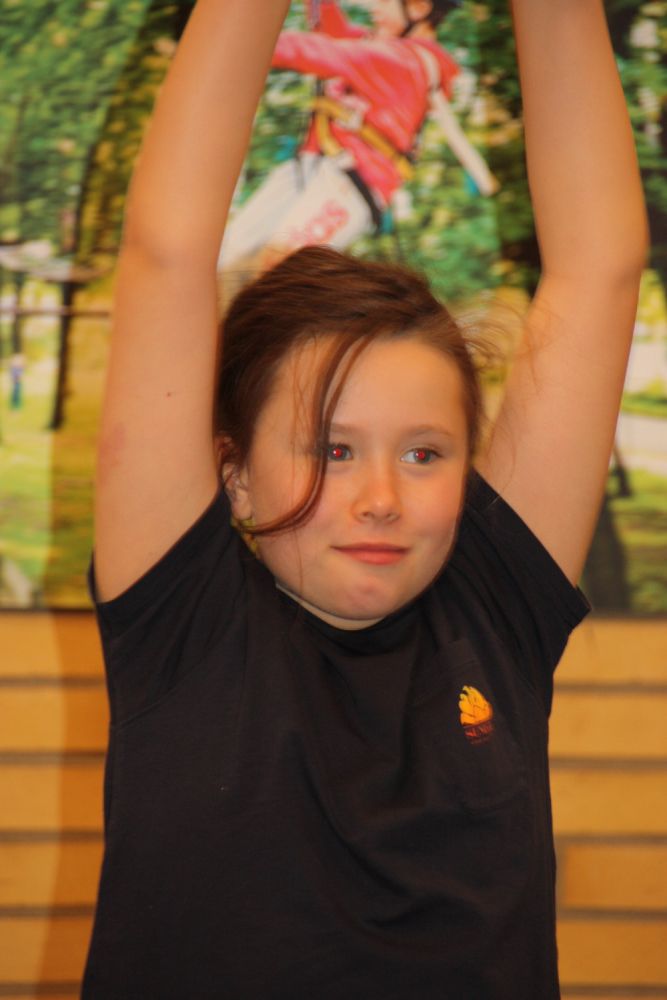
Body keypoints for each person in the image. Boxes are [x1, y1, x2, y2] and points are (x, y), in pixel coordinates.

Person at [84, 0, 646, 997]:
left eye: (424, 454)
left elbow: (598, 270)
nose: (381, 497)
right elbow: (167, 249)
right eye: (331, 451)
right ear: (232, 472)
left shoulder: (492, 608)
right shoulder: (183, 621)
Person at [218, 0, 498, 275]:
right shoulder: (385, 50)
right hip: (312, 165)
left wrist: (235, 43)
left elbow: (324, 50)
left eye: (385, 2)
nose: (375, 9)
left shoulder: (401, 61)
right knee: (229, 255)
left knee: (278, 272)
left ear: (418, 8)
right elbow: (335, 35)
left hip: (347, 185)